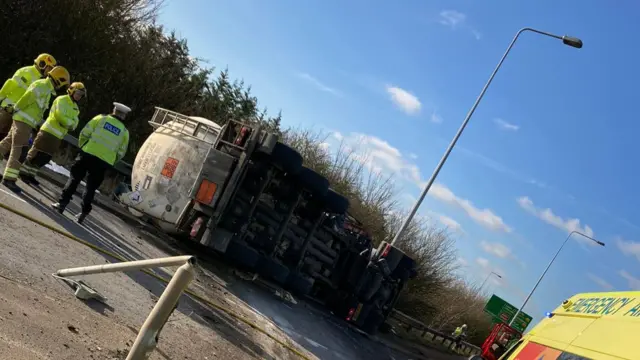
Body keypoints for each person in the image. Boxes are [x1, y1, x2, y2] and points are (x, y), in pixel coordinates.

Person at [52, 102, 130, 223]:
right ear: (124, 116)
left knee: (74, 179)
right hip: (104, 162)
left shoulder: (100, 119)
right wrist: (111, 160)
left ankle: (62, 204)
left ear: (113, 110)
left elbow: (84, 133)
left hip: (87, 154)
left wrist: (82, 146)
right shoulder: (124, 132)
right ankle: (83, 212)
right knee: (91, 188)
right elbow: (121, 152)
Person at [0, 66, 70, 193]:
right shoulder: (42, 86)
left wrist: (36, 124)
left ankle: (9, 177)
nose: (62, 87)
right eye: (63, 84)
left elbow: (38, 109)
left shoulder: (47, 90)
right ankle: (9, 179)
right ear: (58, 80)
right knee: (19, 150)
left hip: (26, 121)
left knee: (7, 143)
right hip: (23, 120)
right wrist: (16, 108)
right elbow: (27, 98)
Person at [20, 82, 86, 186]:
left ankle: (31, 174)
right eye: (78, 93)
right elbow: (60, 116)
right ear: (71, 91)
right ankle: (23, 172)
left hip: (58, 136)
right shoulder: (61, 100)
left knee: (45, 158)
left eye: (81, 95)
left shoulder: (75, 108)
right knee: (36, 153)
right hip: (48, 132)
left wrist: (69, 123)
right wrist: (69, 123)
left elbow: (75, 123)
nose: (79, 96)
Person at [0, 54, 57, 145]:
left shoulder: (43, 82)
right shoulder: (26, 71)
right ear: (42, 64)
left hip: (19, 116)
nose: (50, 71)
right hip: (7, 110)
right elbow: (9, 86)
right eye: (49, 68)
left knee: (6, 142)